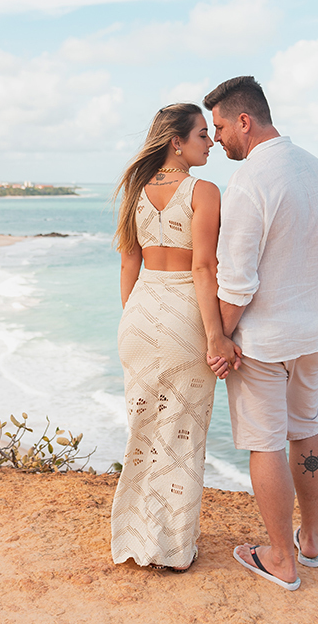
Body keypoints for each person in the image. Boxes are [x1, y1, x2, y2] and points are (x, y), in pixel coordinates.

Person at [203, 76, 318, 592]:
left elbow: (236, 280)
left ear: (244, 120)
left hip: (263, 341)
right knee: (306, 427)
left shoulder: (252, 179)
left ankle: (280, 559)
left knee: (265, 445)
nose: (215, 139)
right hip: (313, 329)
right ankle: (310, 540)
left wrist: (220, 338)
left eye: (218, 127)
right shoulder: (314, 167)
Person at [110, 102, 241, 572]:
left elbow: (129, 265)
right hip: (185, 318)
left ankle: (132, 539)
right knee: (181, 437)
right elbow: (205, 268)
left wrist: (136, 320)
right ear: (176, 142)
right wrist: (217, 337)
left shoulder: (133, 189)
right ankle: (170, 549)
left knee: (143, 434)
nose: (211, 143)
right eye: (203, 135)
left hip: (140, 317)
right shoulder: (203, 191)